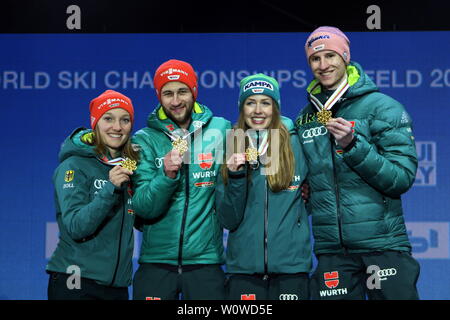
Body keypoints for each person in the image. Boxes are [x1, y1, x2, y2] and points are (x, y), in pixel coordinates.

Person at [295, 26, 420, 300]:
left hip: (383, 246)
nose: (323, 65)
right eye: (315, 59)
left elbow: (401, 178)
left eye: (331, 56)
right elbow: (307, 184)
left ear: (345, 57)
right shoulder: (305, 118)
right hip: (332, 251)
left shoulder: (382, 107)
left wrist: (353, 146)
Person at [131, 59, 231, 300]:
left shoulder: (222, 129)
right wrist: (165, 176)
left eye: (182, 91)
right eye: (167, 93)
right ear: (158, 96)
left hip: (205, 262)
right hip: (156, 262)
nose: (175, 101)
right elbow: (143, 208)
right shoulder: (143, 139)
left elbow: (240, 188)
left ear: (194, 91)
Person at [215, 74, 312, 300]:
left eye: (265, 102)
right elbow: (228, 219)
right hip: (244, 271)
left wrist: (306, 201)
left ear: (275, 107)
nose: (258, 110)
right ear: (242, 107)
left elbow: (320, 186)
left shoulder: (296, 141)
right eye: (250, 102)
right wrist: (236, 176)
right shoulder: (231, 142)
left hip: (291, 269)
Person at [47, 90, 139, 300]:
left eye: (125, 120)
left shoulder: (130, 167)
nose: (117, 127)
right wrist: (111, 188)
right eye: (108, 118)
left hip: (117, 285)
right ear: (95, 123)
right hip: (76, 281)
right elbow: (76, 227)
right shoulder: (74, 165)